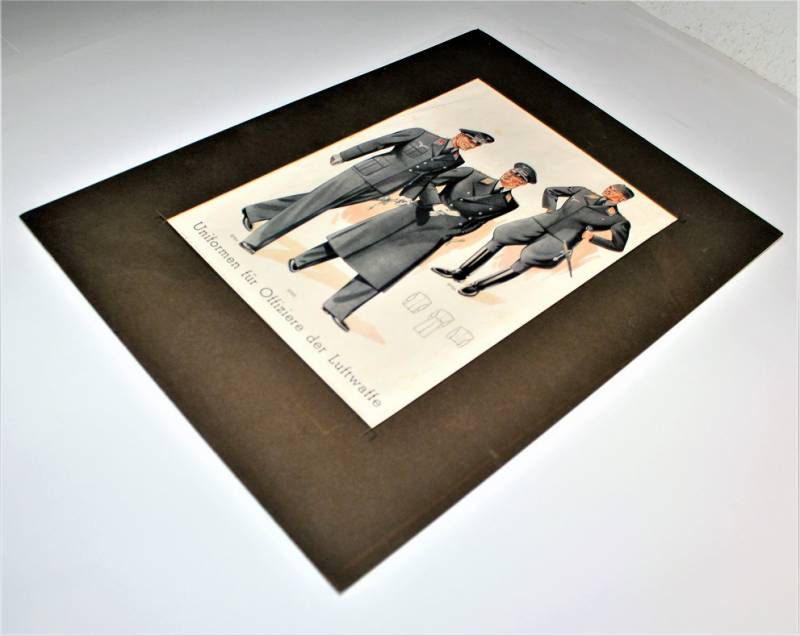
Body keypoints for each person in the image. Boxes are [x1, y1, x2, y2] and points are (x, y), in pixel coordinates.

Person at [288, 162, 537, 331]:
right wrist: (435, 204)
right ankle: (301, 261)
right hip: (415, 214)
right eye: (511, 172)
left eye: (518, 178)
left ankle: (337, 307)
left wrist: (454, 231)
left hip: (435, 233)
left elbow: (480, 221)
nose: (511, 177)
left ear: (522, 184)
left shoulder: (508, 204)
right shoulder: (471, 173)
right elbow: (429, 180)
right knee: (357, 239)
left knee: (386, 270)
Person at [238, 128, 494, 253]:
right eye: (470, 140)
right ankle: (255, 241)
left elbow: (426, 177)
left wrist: (408, 196)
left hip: (381, 188)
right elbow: (380, 143)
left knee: (316, 201)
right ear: (460, 134)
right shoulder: (422, 135)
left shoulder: (456, 160)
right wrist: (344, 155)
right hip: (363, 174)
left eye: (475, 145)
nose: (470, 145)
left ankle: (255, 211)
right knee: (313, 205)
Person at [432, 184, 634, 296]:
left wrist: (594, 238)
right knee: (502, 233)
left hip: (560, 238)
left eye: (614, 191)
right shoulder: (583, 191)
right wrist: (550, 208)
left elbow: (618, 246)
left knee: (528, 258)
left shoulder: (617, 220)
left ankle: (478, 286)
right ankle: (461, 271)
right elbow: (551, 190)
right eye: (610, 187)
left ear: (622, 199)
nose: (609, 190)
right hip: (542, 222)